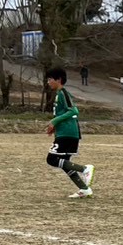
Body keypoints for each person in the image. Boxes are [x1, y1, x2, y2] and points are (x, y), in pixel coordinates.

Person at [43, 67, 94, 199]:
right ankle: (84, 189)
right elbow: (63, 113)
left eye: (50, 79)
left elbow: (73, 111)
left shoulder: (63, 93)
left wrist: (54, 121)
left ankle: (85, 169)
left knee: (52, 159)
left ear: (58, 79)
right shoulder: (58, 94)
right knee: (65, 164)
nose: (48, 82)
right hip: (65, 132)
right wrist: (55, 126)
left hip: (68, 133)